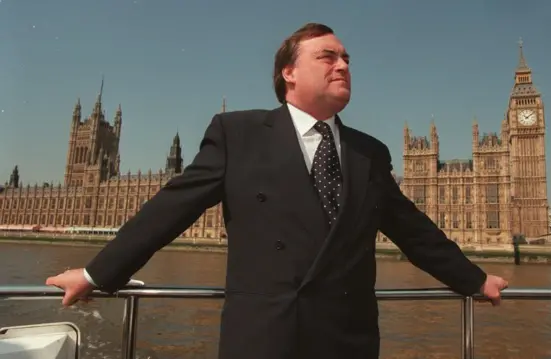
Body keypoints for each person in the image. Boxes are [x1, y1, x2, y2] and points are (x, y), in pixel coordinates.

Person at [46, 23, 508, 359]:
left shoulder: (371, 152)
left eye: (347, 58)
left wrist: (475, 280)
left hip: (347, 342)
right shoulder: (238, 133)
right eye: (328, 56)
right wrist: (96, 274)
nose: (343, 65)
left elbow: (414, 231)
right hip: (264, 340)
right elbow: (171, 208)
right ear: (289, 72)